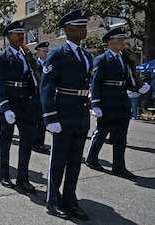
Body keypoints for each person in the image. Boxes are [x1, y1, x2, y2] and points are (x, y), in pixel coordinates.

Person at [39, 8, 93, 220]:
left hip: (80, 114)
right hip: (62, 114)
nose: (84, 30)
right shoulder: (57, 54)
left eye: (84, 27)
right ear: (69, 30)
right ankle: (53, 200)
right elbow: (46, 87)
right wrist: (51, 117)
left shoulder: (87, 55)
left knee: (75, 162)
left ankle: (70, 198)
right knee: (58, 161)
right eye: (80, 27)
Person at [85, 27, 150, 179]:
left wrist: (138, 88)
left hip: (122, 103)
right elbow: (96, 83)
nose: (123, 43)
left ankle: (119, 166)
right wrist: (95, 104)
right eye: (119, 40)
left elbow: (126, 81)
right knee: (101, 133)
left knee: (121, 136)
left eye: (123, 40)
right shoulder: (102, 59)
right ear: (110, 42)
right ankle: (92, 158)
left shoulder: (124, 59)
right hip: (107, 103)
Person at [0, 20, 36, 193]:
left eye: (22, 33)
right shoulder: (1, 57)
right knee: (6, 141)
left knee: (26, 142)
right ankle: (3, 173)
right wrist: (5, 107)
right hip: (9, 103)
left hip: (25, 103)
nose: (21, 36)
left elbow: (33, 78)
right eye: (17, 34)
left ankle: (23, 178)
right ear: (9, 37)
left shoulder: (27, 55)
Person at [32, 42, 50, 153]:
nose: (46, 53)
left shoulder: (49, 64)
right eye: (44, 51)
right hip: (36, 97)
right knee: (35, 122)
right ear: (38, 53)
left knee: (43, 123)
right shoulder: (35, 66)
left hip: (46, 97)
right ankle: (34, 143)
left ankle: (41, 143)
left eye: (47, 51)